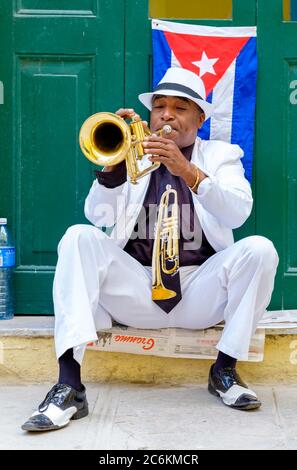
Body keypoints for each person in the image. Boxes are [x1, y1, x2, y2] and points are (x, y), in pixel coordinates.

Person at [22, 67, 278, 432]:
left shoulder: (221, 155)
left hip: (197, 291)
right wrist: (113, 169)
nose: (167, 115)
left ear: (200, 118)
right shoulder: (134, 152)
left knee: (260, 249)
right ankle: (69, 385)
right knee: (78, 237)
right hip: (136, 290)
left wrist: (188, 170)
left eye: (180, 107)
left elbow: (238, 212)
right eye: (160, 107)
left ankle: (224, 370)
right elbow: (96, 215)